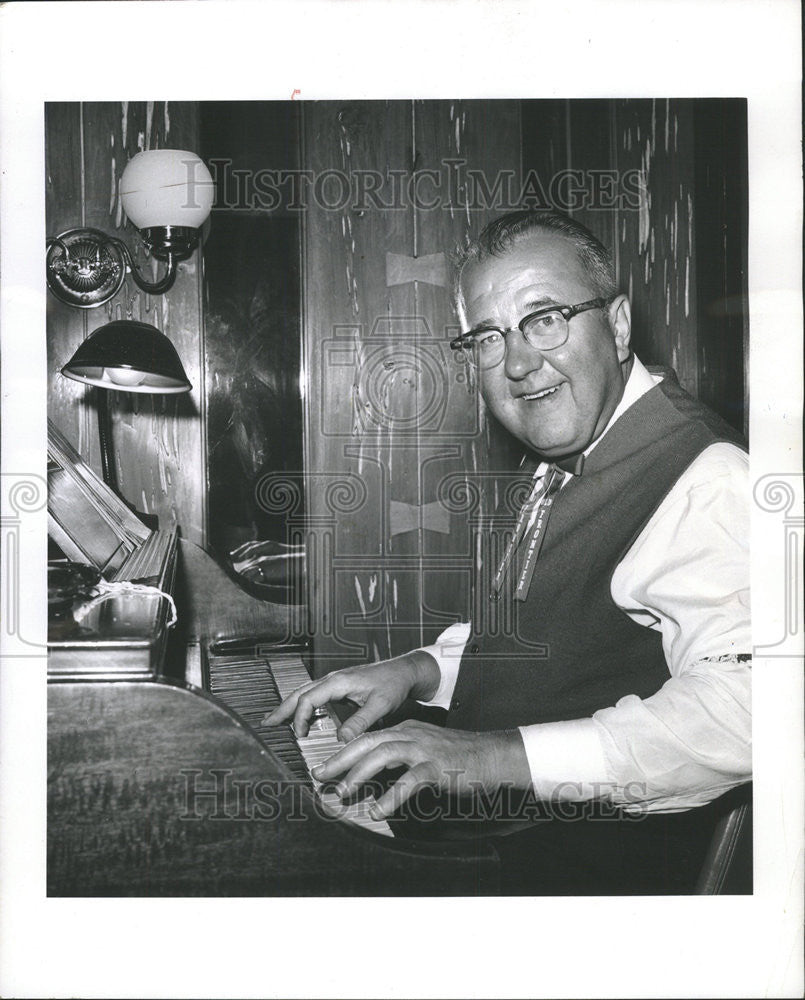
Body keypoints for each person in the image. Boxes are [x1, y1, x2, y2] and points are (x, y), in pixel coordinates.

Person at [265, 209, 751, 894]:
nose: (518, 363)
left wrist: (488, 757)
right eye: (488, 338)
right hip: (503, 841)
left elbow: (747, 713)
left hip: (583, 881)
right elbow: (538, 630)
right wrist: (416, 671)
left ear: (615, 326)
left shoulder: (708, 478)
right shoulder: (570, 452)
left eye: (544, 317)